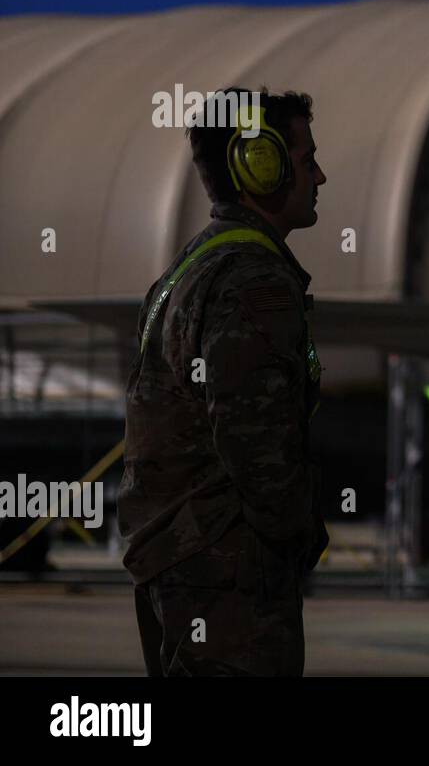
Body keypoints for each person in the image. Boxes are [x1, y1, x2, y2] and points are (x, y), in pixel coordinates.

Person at [120, 86, 328, 676]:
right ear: (261, 167)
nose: (321, 175)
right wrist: (297, 533)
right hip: (225, 568)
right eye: (307, 157)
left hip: (175, 555)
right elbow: (253, 440)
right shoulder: (252, 280)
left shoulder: (191, 266)